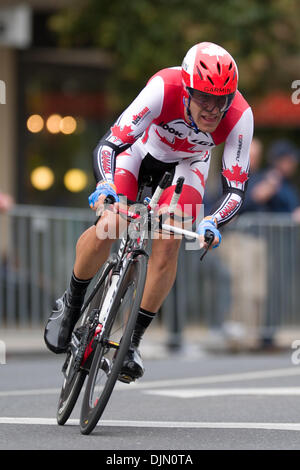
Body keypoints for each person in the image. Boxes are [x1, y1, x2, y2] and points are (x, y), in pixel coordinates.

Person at [44, 42, 253, 381]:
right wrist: (106, 186)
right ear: (186, 89)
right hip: (140, 152)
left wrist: (214, 221)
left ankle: (131, 342)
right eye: (203, 97)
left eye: (221, 100)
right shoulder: (162, 88)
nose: (213, 109)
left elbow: (235, 188)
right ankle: (71, 302)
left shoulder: (240, 116)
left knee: (169, 242)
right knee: (111, 224)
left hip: (189, 166)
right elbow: (111, 143)